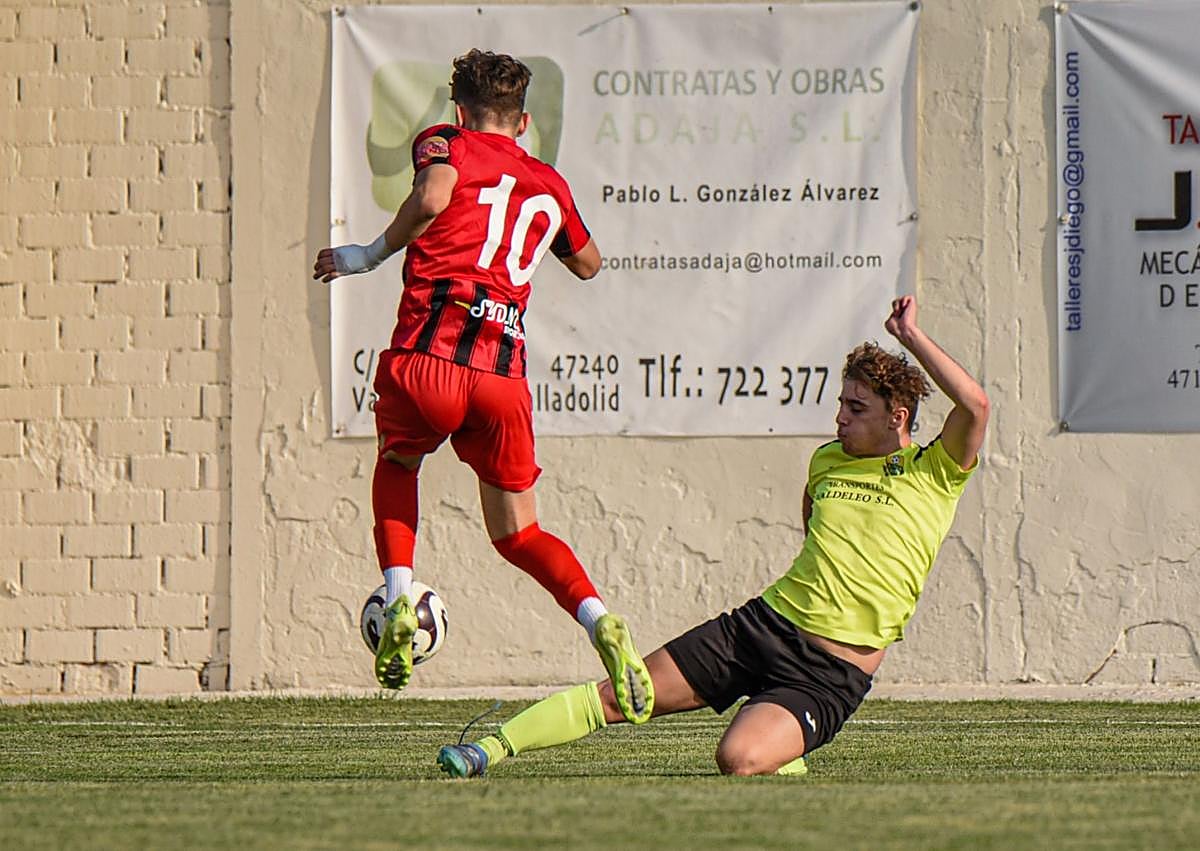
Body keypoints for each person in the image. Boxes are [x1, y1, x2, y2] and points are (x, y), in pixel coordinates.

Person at [436, 295, 990, 778]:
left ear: (897, 417)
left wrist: (910, 336)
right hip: (762, 625)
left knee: (739, 759)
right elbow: (813, 529)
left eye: (855, 407)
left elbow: (976, 405)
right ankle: (488, 749)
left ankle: (782, 749)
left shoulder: (934, 471)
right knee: (630, 693)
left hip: (829, 673)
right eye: (841, 402)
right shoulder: (826, 463)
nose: (839, 417)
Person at [312, 49, 653, 724]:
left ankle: (399, 594)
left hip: (427, 357)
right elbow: (588, 262)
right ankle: (600, 621)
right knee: (519, 532)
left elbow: (435, 195)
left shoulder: (446, 143)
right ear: (523, 122)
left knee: (398, 462)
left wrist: (367, 254)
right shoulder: (547, 184)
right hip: (502, 377)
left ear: (459, 112)